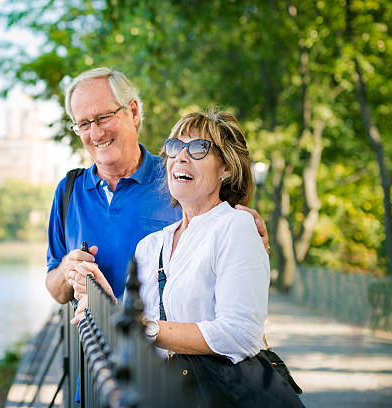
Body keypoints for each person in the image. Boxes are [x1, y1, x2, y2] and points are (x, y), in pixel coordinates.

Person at [73, 110, 303, 407]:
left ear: (227, 169)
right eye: (174, 147)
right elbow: (141, 332)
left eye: (198, 148)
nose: (181, 157)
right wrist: (110, 307)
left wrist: (143, 327)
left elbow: (240, 335)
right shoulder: (150, 246)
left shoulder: (236, 226)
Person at [46, 67, 269, 305]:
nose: (96, 132)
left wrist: (254, 246)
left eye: (103, 118)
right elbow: (56, 291)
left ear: (133, 112)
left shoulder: (182, 180)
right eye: (83, 124)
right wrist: (68, 268)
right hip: (95, 340)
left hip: (176, 340)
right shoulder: (68, 190)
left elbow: (233, 259)